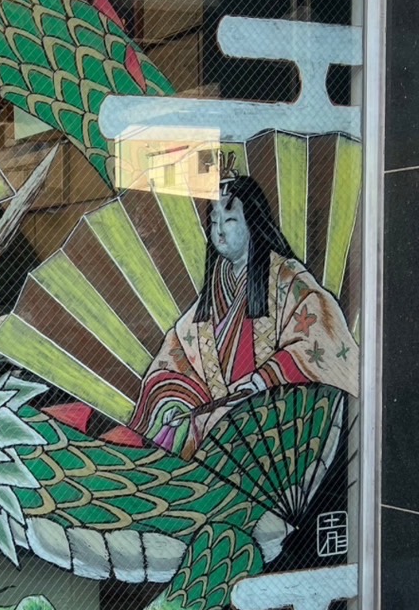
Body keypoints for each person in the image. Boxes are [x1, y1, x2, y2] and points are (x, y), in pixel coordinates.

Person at [129, 173, 358, 458]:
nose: (219, 232)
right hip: (218, 413)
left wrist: (263, 380)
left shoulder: (286, 279)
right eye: (214, 222)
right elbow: (178, 350)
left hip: (269, 412)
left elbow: (322, 338)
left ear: (253, 222)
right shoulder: (213, 291)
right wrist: (171, 395)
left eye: (230, 220)